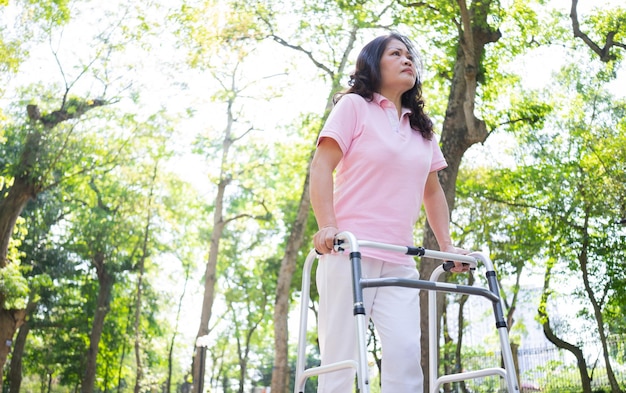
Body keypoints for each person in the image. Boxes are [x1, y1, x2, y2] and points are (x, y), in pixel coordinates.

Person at [309, 32, 470, 392]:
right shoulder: (354, 107)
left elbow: (433, 192)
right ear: (373, 64)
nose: (407, 59)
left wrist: (448, 246)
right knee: (341, 362)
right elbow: (321, 167)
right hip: (348, 253)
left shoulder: (421, 129)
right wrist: (327, 227)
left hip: (399, 259)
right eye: (395, 53)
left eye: (409, 55)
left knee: (405, 357)